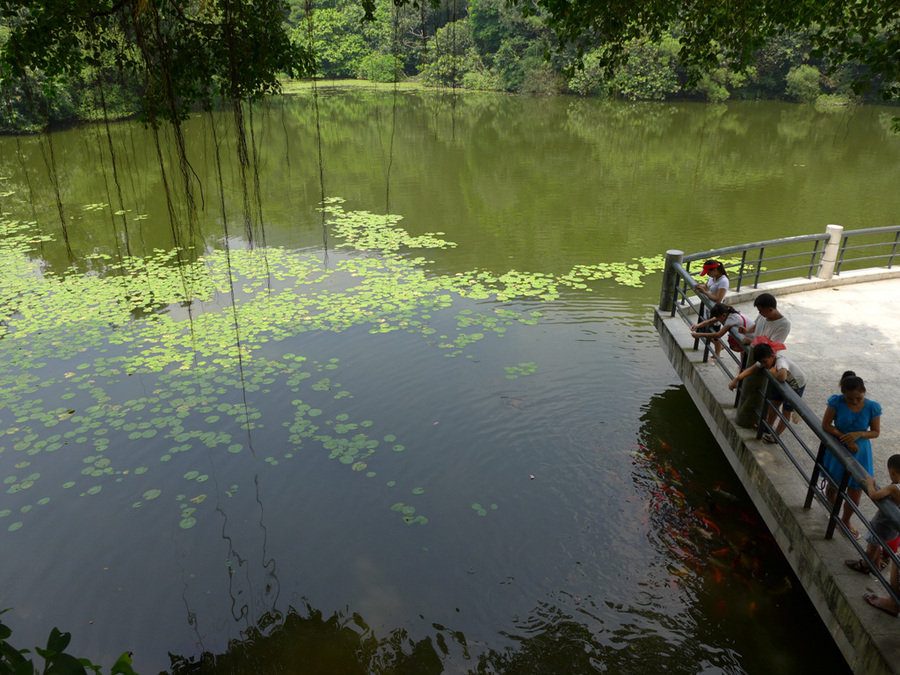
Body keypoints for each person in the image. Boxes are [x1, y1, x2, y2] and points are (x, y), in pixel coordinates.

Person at [821, 372, 882, 539]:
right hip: (840, 448)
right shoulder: (836, 402)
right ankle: (832, 510)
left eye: (859, 398)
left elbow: (875, 432)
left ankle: (846, 520)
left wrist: (859, 434)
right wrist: (844, 438)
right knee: (834, 483)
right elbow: (826, 425)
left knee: (856, 490)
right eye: (850, 399)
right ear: (844, 395)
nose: (854, 401)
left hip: (861, 452)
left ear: (864, 392)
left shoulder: (872, 406)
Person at [728, 343, 806, 443]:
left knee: (786, 412)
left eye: (764, 362)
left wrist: (774, 373)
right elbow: (750, 370)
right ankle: (767, 426)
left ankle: (775, 436)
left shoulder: (780, 362)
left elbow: (782, 377)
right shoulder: (765, 360)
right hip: (780, 384)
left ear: (772, 356)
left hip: (795, 385)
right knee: (774, 404)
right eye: (761, 362)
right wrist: (736, 380)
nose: (763, 365)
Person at [846, 454, 900, 575]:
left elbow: (874, 495)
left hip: (882, 525)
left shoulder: (894, 488)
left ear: (892, 472)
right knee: (877, 544)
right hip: (894, 528)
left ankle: (865, 566)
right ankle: (875, 567)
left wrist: (870, 483)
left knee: (872, 546)